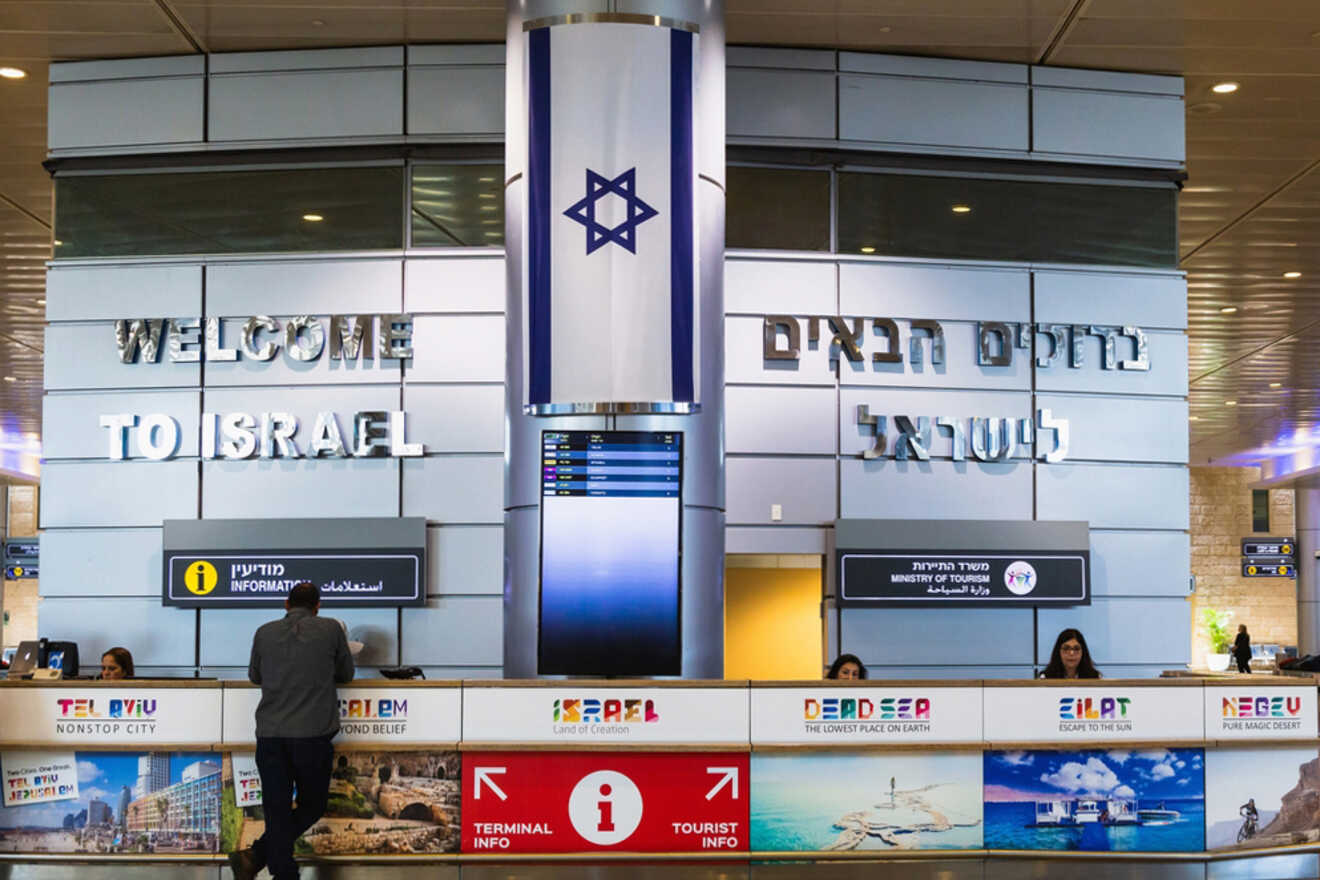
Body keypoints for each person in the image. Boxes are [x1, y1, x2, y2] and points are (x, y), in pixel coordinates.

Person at [229, 582, 354, 880]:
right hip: (312, 735)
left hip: (270, 734)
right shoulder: (332, 629)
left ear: (286, 604)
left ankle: (270, 864)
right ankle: (265, 861)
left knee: (276, 806)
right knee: (312, 805)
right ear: (318, 606)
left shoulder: (264, 631)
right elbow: (346, 674)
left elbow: (254, 676)